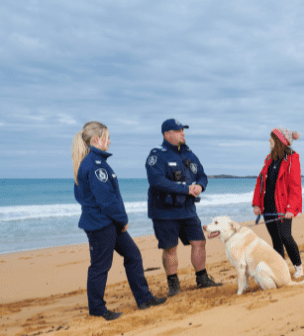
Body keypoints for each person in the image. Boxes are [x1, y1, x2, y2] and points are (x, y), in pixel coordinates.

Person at [72, 121, 167, 320]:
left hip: (108, 222)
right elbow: (106, 200)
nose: (110, 141)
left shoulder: (96, 163)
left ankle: (144, 299)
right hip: (101, 224)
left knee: (132, 255)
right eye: (107, 137)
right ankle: (98, 310)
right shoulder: (94, 165)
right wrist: (122, 220)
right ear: (97, 139)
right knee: (100, 266)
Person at [146, 118, 221, 296]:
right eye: (179, 131)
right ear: (167, 134)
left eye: (183, 130)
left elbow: (202, 175)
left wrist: (200, 186)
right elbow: (157, 181)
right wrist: (186, 189)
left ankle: (202, 280)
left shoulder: (189, 154)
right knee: (170, 248)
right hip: (164, 211)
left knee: (199, 242)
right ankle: (174, 286)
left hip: (187, 210)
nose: (183, 133)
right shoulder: (157, 155)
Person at [252, 128, 304, 278]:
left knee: (286, 236)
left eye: (272, 138)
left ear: (280, 141)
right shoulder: (269, 160)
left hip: (283, 208)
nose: (269, 141)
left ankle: (298, 267)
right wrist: (257, 204)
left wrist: (291, 208)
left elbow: (295, 186)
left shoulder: (291, 159)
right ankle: (280, 271)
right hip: (268, 207)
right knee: (276, 240)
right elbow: (260, 182)